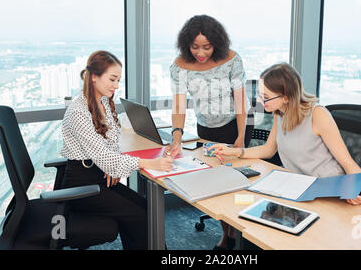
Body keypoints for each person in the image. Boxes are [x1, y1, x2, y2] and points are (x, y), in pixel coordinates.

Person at [210, 62, 361, 206]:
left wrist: (359, 188)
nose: (260, 102)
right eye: (260, 95)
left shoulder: (317, 115)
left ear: (286, 97)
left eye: (265, 97)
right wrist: (235, 151)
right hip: (299, 188)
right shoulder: (280, 113)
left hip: (329, 192)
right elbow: (268, 149)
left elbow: (348, 163)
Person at [60, 50, 173, 250]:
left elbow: (111, 141)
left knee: (146, 208)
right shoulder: (79, 111)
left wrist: (110, 167)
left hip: (98, 174)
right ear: (94, 76)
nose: (116, 85)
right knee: (138, 216)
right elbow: (103, 155)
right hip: (81, 184)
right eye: (112, 79)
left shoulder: (102, 101)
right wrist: (149, 163)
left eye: (118, 80)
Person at [165, 15, 253, 250]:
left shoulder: (231, 60)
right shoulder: (180, 66)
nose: (200, 52)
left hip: (236, 124)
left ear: (217, 43)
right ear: (187, 44)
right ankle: (227, 231)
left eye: (206, 46)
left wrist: (241, 139)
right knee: (215, 180)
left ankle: (235, 233)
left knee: (234, 179)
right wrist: (177, 137)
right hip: (206, 126)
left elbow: (241, 101)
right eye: (195, 47)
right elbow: (179, 105)